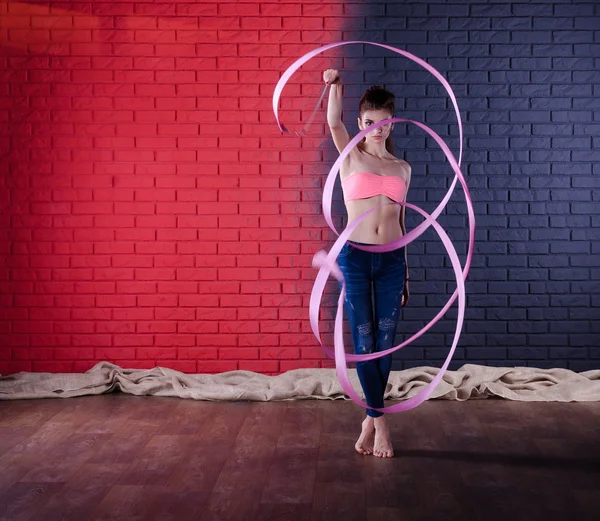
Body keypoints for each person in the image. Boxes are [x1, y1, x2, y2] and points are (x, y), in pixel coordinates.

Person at [323, 68, 411, 458]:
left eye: (383, 123)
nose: (376, 129)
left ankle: (368, 419)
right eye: (369, 122)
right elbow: (332, 119)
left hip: (392, 260)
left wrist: (407, 271)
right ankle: (381, 425)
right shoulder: (349, 156)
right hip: (356, 258)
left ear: (392, 124)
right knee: (364, 342)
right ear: (361, 124)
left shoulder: (402, 168)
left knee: (385, 342)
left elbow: (402, 220)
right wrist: (335, 84)